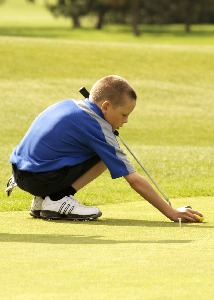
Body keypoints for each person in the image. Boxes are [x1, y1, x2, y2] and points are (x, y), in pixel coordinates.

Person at [8, 75, 203, 222]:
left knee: (98, 151)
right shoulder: (96, 127)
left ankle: (43, 201)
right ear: (106, 106)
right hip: (39, 179)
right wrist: (171, 212)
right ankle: (57, 199)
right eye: (124, 114)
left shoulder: (68, 105)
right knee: (104, 155)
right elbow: (133, 179)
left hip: (21, 175)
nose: (126, 121)